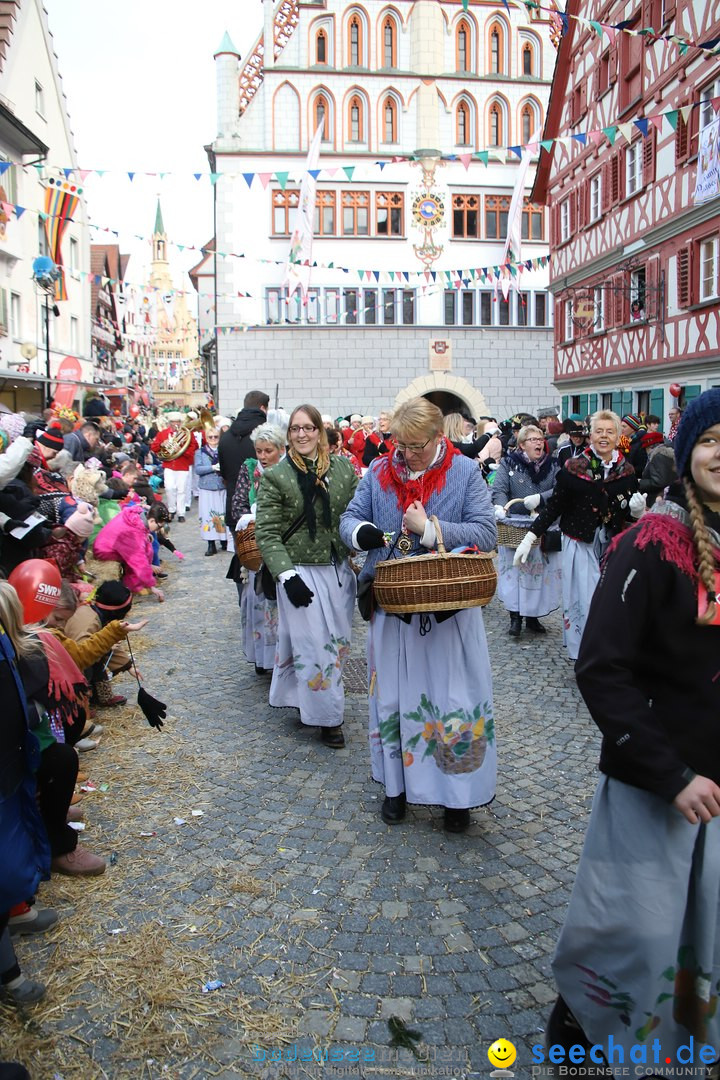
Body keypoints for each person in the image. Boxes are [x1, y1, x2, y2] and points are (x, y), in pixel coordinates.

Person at [546, 388, 720, 1070]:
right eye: (711, 441)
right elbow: (601, 670)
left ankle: (686, 1038)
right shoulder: (652, 543)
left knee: (704, 926)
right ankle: (580, 1031)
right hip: (658, 782)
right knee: (635, 930)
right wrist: (671, 775)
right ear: (687, 452)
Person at [339, 397, 497, 833]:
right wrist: (360, 532)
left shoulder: (464, 472)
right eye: (400, 444)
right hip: (393, 606)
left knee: (452, 700)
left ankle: (456, 795)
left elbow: (486, 533)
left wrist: (430, 530)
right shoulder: (378, 472)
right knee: (393, 697)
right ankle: (397, 787)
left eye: (415, 446)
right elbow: (349, 517)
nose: (405, 454)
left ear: (438, 438)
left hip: (449, 610)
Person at [255, 404, 357, 748]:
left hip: (338, 569)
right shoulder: (276, 476)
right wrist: (286, 576)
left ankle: (302, 696)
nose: (301, 434)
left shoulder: (343, 469)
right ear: (289, 434)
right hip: (299, 572)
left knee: (338, 645)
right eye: (295, 429)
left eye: (308, 428)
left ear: (320, 432)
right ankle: (329, 718)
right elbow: (267, 533)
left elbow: (355, 513)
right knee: (315, 645)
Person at [514, 410, 642, 661]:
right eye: (599, 431)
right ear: (590, 435)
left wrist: (637, 513)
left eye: (610, 431)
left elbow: (628, 512)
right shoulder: (574, 468)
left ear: (618, 437)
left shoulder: (626, 471)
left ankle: (608, 652)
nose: (604, 437)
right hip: (579, 543)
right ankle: (585, 654)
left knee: (610, 601)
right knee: (584, 601)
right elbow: (555, 507)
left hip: (611, 545)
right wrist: (530, 538)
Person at [492, 425, 561, 636]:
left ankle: (532, 616)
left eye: (540, 438)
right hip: (515, 526)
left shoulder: (553, 464)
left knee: (537, 575)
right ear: (522, 444)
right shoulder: (509, 463)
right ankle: (515, 616)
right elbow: (500, 489)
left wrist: (542, 498)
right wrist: (501, 507)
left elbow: (560, 488)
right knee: (515, 573)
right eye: (532, 439)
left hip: (543, 524)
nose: (539, 442)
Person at [232, 423, 285, 674]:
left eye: (268, 451)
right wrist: (249, 516)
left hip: (280, 548)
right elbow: (238, 503)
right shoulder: (249, 468)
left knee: (277, 606)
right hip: (253, 550)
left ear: (281, 449)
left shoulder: (289, 470)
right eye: (259, 451)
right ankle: (261, 657)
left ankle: (280, 658)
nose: (263, 456)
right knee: (256, 602)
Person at [218, 391, 269, 531]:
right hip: (264, 512)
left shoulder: (226, 437)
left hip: (233, 509)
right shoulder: (267, 435)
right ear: (263, 408)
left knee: (240, 552)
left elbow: (224, 474)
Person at [149, 413, 195, 522]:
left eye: (178, 422)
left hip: (182, 465)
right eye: (173, 422)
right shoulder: (163, 434)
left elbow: (192, 450)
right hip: (169, 465)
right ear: (170, 423)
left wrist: (180, 448)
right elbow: (154, 447)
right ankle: (171, 509)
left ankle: (181, 513)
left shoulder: (187, 434)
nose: (176, 424)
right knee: (169, 488)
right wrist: (162, 445)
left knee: (181, 490)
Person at [194, 427, 231, 556]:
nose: (213, 439)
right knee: (208, 515)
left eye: (216, 437)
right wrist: (212, 467)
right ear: (206, 438)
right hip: (207, 487)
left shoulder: (223, 450)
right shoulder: (200, 452)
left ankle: (223, 540)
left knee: (221, 514)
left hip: (221, 485)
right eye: (210, 437)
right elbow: (198, 469)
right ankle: (211, 543)